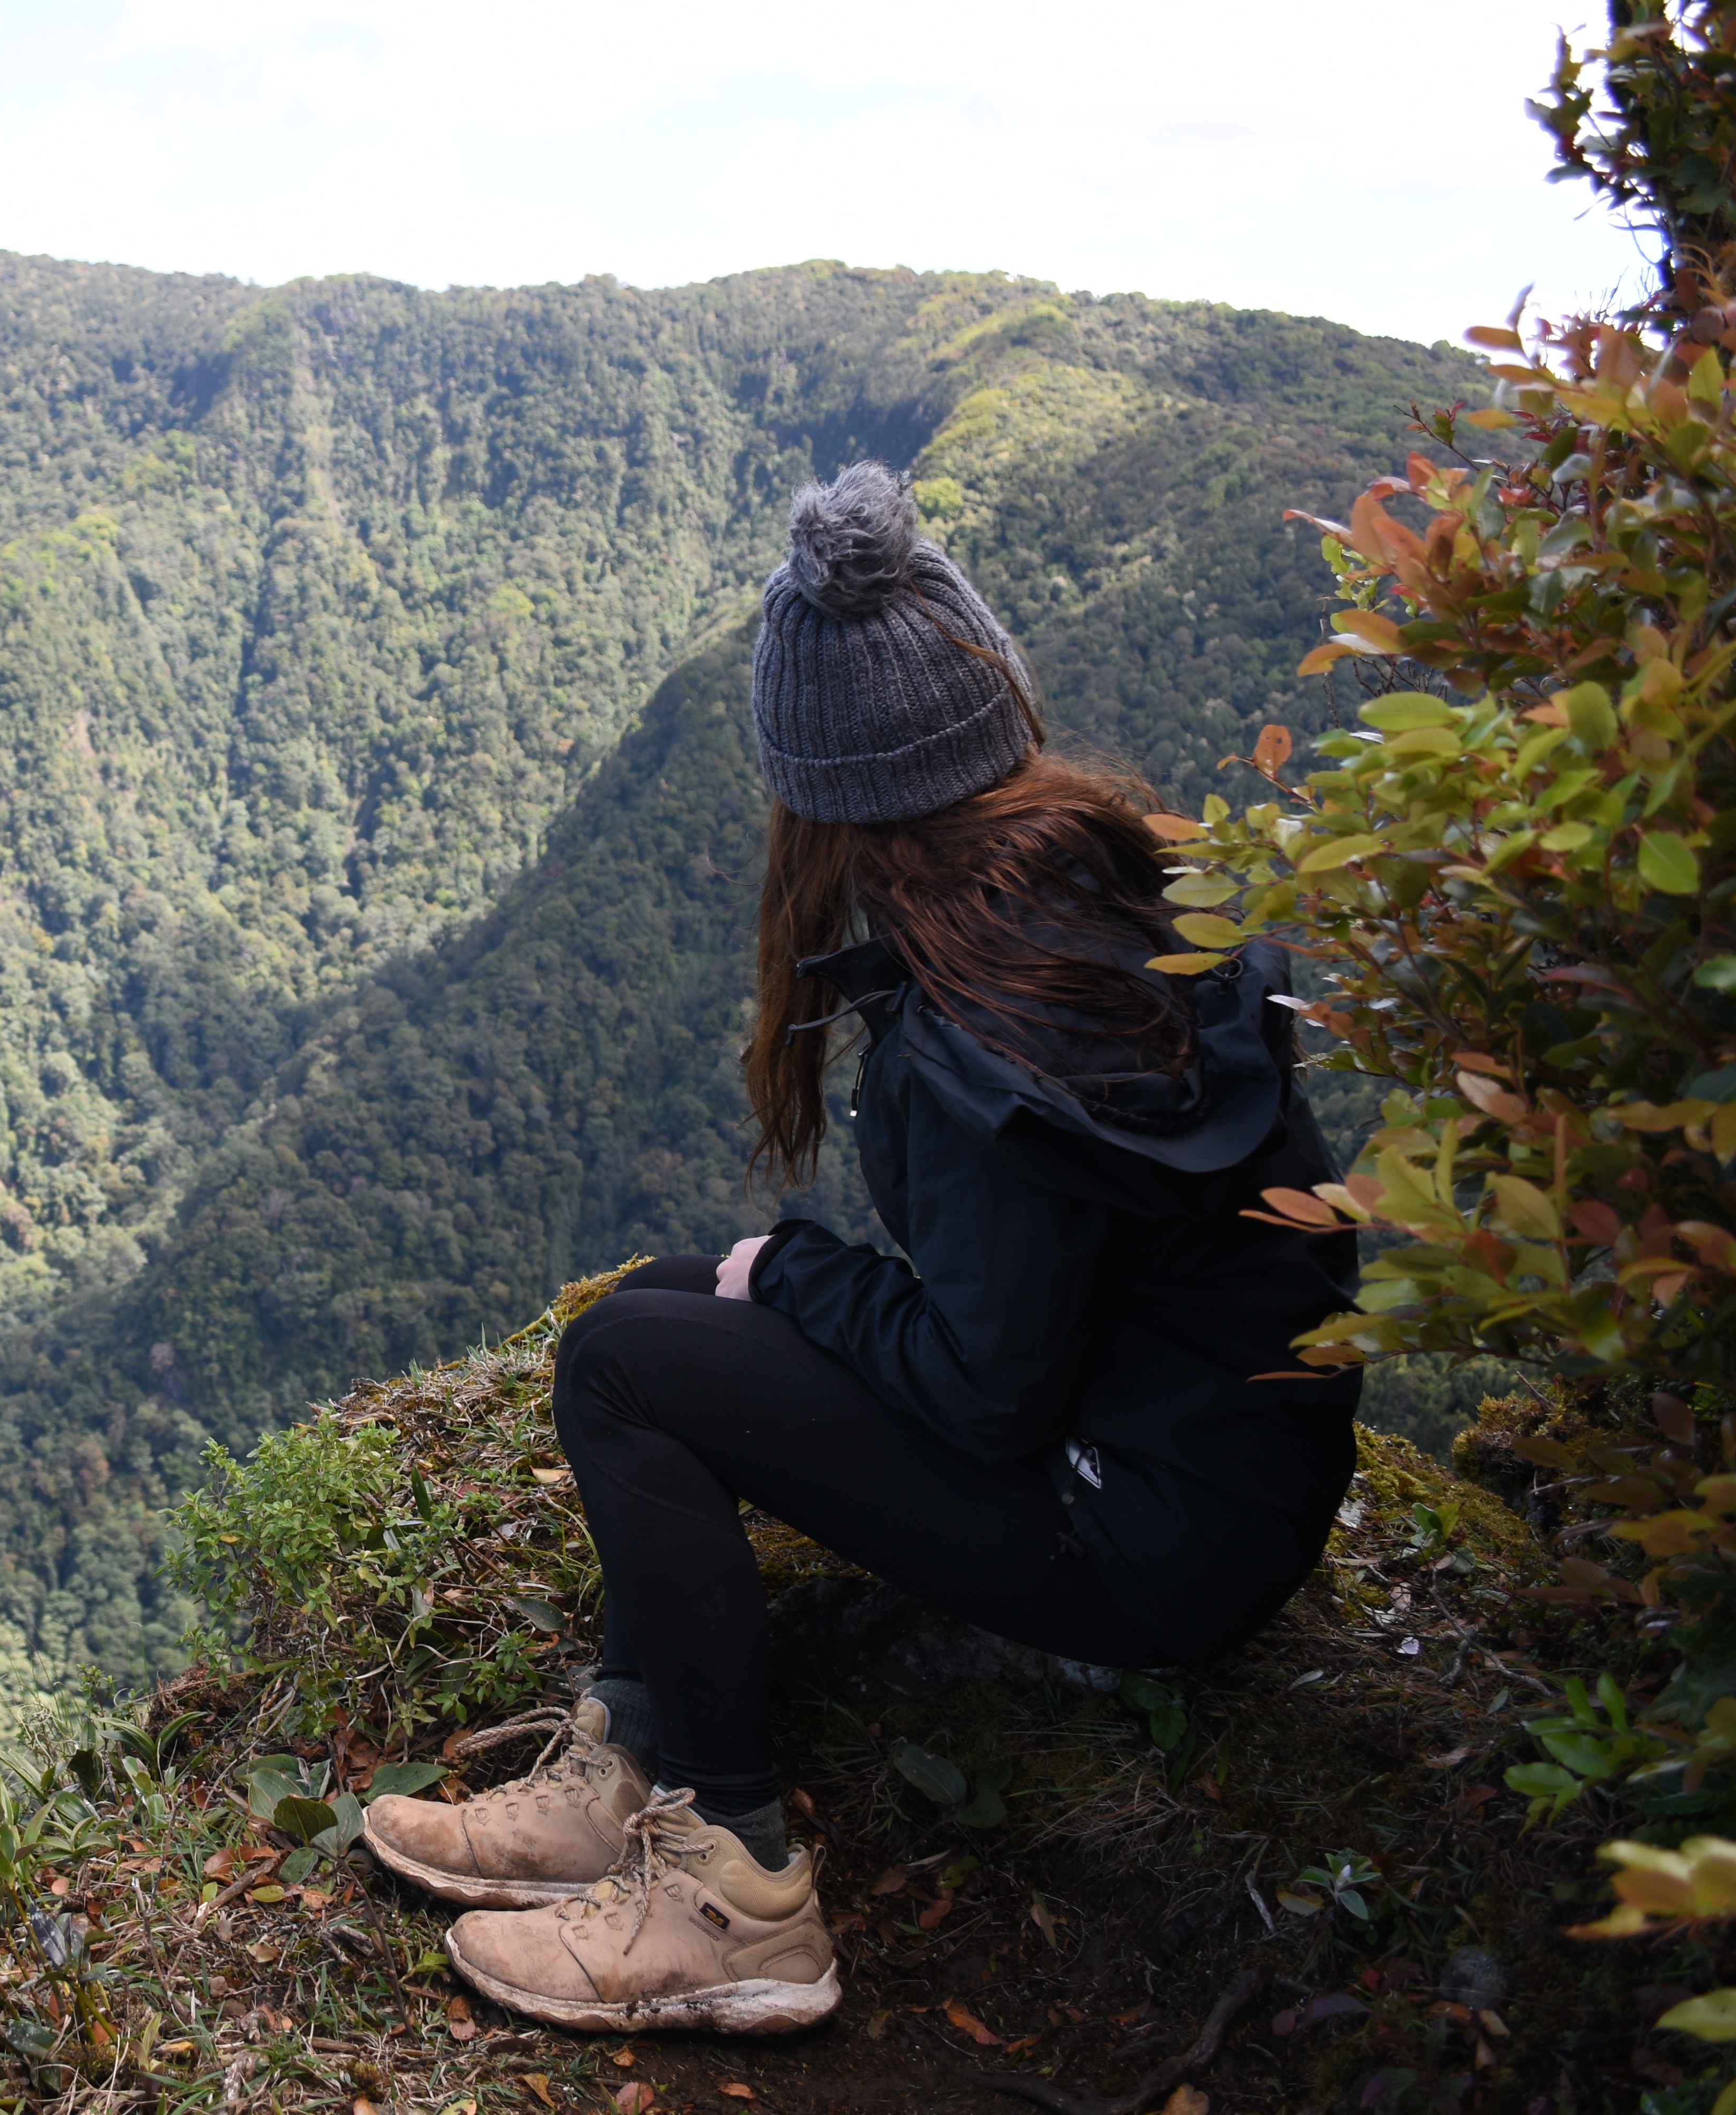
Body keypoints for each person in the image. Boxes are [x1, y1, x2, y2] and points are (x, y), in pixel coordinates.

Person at [361, 461, 1362, 2034]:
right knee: (668, 1304)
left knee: (625, 1367)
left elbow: (984, 1401)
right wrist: (774, 1279)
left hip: (1152, 1544)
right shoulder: (1103, 898)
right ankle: (624, 1757)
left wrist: (806, 1273)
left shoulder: (972, 1038)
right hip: (1213, 1476)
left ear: (813, 783)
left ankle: (737, 1894)